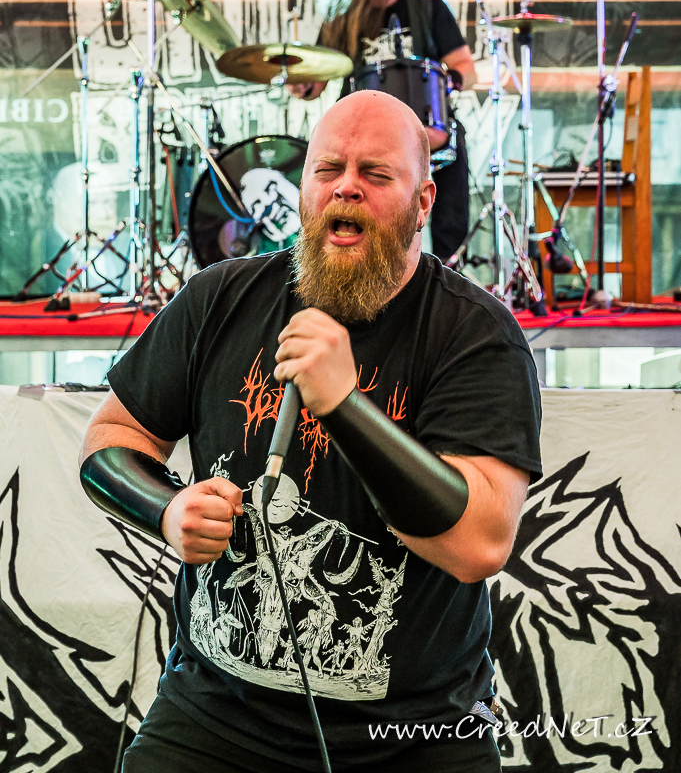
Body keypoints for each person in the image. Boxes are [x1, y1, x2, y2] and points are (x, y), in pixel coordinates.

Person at [79, 90, 542, 773]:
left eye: (375, 174)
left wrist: (345, 406)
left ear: (423, 201)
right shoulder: (218, 298)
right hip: (212, 718)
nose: (346, 187)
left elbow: (478, 543)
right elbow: (110, 438)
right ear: (303, 190)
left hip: (415, 734)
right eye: (327, 169)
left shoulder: (474, 334)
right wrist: (167, 509)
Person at [290, 0, 477, 262]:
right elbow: (315, 82)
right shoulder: (343, 16)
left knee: (453, 174)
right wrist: (300, 82)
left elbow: (465, 65)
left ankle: (450, 272)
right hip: (360, 137)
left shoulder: (427, 4)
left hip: (428, 131)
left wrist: (452, 81)